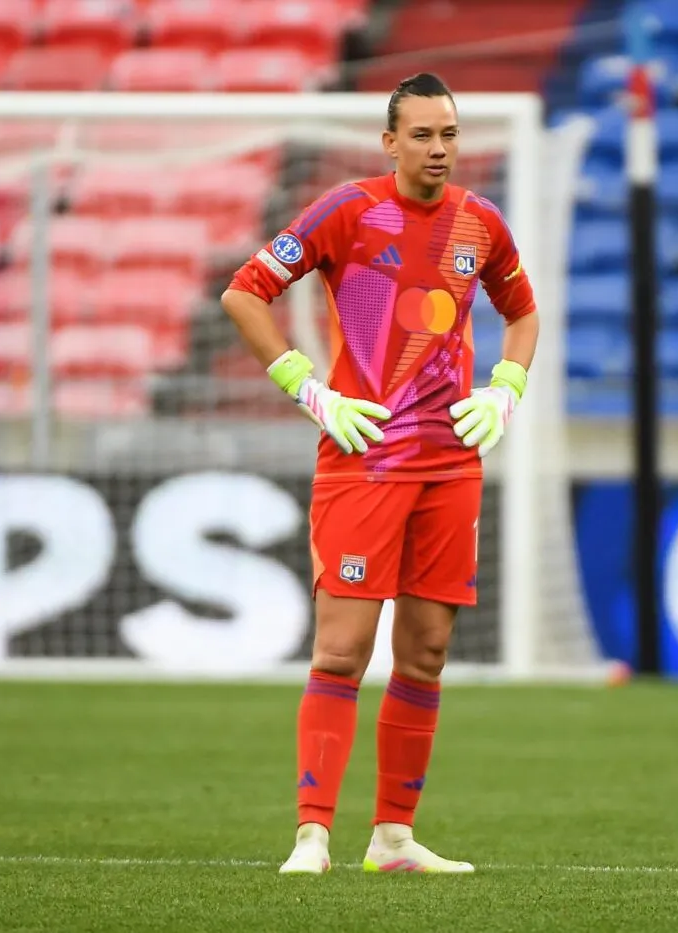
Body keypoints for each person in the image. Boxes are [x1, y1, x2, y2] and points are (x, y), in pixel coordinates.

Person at [220, 72, 540, 875]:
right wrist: (308, 389)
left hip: (450, 466)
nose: (439, 149)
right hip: (364, 460)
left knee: (427, 649)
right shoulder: (347, 211)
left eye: (450, 135)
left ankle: (392, 836)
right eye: (424, 135)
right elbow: (245, 292)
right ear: (390, 141)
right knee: (343, 650)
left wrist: (505, 391)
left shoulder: (481, 224)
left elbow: (524, 311)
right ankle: (312, 835)